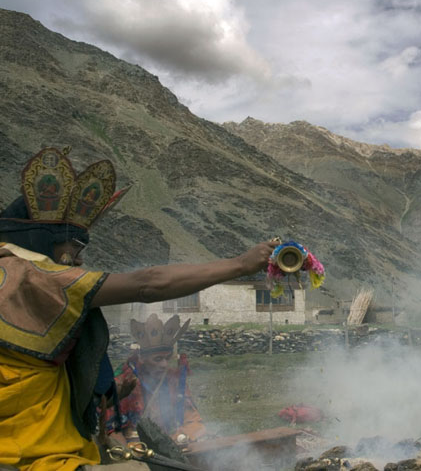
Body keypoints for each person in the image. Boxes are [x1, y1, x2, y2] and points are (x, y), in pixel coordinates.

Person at [0, 147, 278, 470]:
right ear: (41, 241)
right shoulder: (34, 277)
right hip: (37, 460)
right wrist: (241, 264)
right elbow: (148, 284)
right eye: (73, 248)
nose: (79, 261)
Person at [110, 314, 206, 444]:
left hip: (173, 442)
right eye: (158, 359)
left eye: (167, 358)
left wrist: (187, 436)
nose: (165, 365)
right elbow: (111, 430)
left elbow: (192, 418)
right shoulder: (124, 383)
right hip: (138, 447)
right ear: (142, 359)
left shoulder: (174, 380)